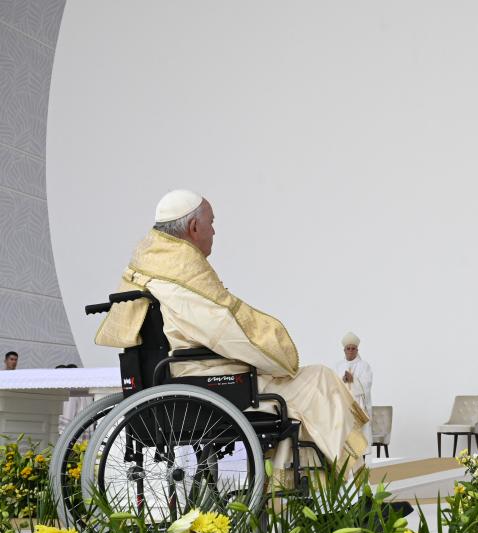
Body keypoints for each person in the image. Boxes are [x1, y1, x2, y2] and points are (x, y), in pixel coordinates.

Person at [95, 189, 369, 479]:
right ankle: (347, 489)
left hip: (187, 375)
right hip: (210, 380)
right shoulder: (182, 280)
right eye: (212, 222)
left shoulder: (153, 267)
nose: (214, 231)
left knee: (310, 385)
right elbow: (227, 334)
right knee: (319, 380)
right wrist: (275, 357)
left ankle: (305, 487)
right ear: (194, 227)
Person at [335, 332, 373, 456]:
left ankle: (361, 460)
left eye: (353, 348)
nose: (350, 351)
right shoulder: (339, 366)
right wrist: (343, 380)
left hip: (359, 404)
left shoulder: (364, 365)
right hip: (344, 404)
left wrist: (353, 380)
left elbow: (367, 385)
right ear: (344, 350)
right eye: (348, 348)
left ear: (357, 350)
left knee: (359, 434)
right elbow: (334, 384)